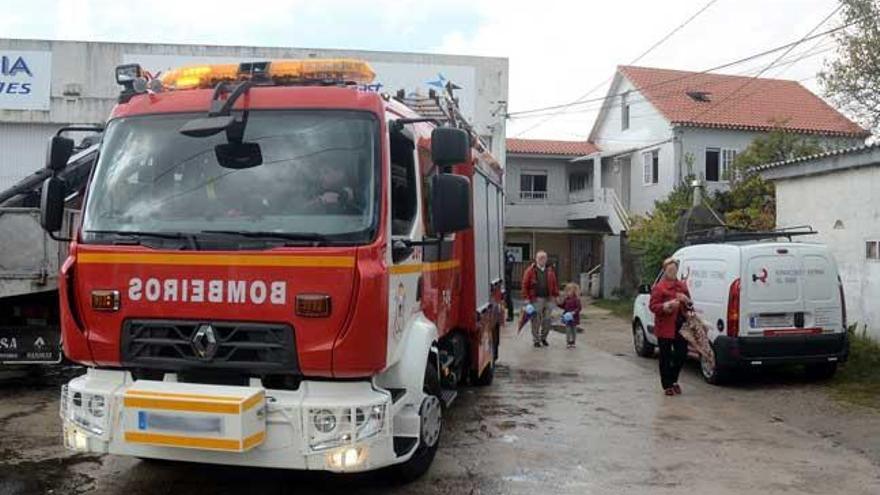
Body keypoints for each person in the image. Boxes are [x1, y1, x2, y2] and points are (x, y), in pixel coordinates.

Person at [649, 258, 691, 396]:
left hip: (680, 325)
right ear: (665, 271)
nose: (672, 272)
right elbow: (653, 306)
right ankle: (667, 385)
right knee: (665, 356)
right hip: (665, 326)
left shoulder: (682, 286)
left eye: (674, 270)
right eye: (670, 270)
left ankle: (673, 379)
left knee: (681, 354)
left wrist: (686, 301)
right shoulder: (659, 287)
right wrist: (665, 306)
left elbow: (690, 305)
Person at [521, 251, 559, 348]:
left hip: (548, 298)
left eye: (544, 258)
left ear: (546, 259)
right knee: (536, 320)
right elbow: (525, 285)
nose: (542, 260)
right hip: (536, 299)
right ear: (536, 259)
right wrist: (526, 299)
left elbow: (554, 284)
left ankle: (544, 338)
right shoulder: (530, 271)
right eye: (540, 258)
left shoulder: (550, 271)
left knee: (547, 319)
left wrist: (556, 296)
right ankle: (536, 340)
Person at [560, 283, 582, 349]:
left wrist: (574, 312)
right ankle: (568, 342)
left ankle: (573, 342)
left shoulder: (576, 299)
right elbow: (563, 306)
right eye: (566, 291)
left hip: (574, 318)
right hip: (567, 317)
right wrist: (558, 303)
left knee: (573, 330)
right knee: (568, 330)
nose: (567, 292)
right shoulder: (566, 299)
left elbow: (579, 308)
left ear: (574, 291)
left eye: (569, 291)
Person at [504, 251, 516, 322]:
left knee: (508, 297)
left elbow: (509, 267)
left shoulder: (508, 254)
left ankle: (511, 315)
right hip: (503, 279)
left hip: (507, 280)